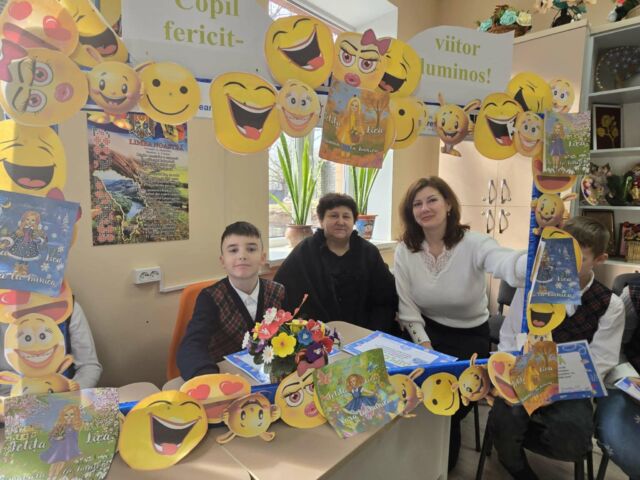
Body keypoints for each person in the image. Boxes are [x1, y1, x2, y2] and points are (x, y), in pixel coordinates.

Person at [394, 176, 527, 471]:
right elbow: (407, 307)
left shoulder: (475, 243)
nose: (424, 208)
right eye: (417, 204)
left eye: (432, 200)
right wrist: (426, 349)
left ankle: (439, 464)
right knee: (411, 396)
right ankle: (409, 458)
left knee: (449, 405)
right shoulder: (405, 250)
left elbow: (503, 262)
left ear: (448, 204)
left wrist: (530, 262)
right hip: (426, 335)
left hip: (470, 337)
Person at [494, 216, 625, 480]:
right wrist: (510, 372)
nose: (565, 264)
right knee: (506, 415)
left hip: (571, 385)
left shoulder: (610, 304)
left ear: (600, 259)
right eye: (561, 254)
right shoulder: (531, 288)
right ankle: (514, 462)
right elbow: (510, 335)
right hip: (524, 372)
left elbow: (602, 359)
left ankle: (522, 438)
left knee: (573, 438)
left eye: (579, 258)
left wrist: (555, 387)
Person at [274, 193, 398, 333]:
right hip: (316, 336)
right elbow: (282, 291)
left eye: (346, 216)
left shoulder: (368, 252)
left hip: (364, 333)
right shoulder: (305, 251)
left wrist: (372, 333)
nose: (340, 222)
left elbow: (385, 297)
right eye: (333, 216)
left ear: (354, 221)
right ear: (321, 220)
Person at [177, 221, 285, 380]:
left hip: (269, 374)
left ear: (262, 258)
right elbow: (192, 345)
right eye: (233, 250)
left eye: (251, 249)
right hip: (224, 375)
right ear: (223, 261)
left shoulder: (278, 291)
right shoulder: (211, 298)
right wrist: (208, 378)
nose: (242, 256)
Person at [0, 300, 102, 396]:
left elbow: (88, 365)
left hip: (61, 397)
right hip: (6, 399)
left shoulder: (67, 305)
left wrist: (72, 395)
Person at [594, 281, 640, 480]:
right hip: (627, 383)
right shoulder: (634, 295)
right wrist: (630, 379)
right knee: (629, 448)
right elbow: (613, 349)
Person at [40, 404, 83, 480]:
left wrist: (76, 449)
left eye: (72, 414)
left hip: (67, 449)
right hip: (59, 448)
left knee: (61, 462)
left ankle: (55, 476)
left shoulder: (74, 426)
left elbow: (75, 439)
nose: (69, 417)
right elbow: (52, 436)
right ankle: (50, 477)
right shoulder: (60, 425)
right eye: (66, 415)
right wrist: (57, 438)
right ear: (63, 416)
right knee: (55, 463)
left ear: (75, 415)